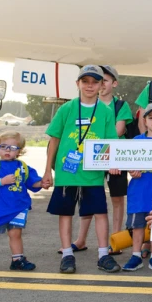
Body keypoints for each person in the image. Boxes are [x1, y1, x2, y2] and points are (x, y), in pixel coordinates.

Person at [41, 65, 121, 274]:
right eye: (85, 81)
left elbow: (111, 141)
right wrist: (48, 170)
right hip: (67, 172)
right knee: (65, 213)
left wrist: (113, 163)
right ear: (78, 84)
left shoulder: (105, 111)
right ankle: (67, 254)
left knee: (100, 212)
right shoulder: (67, 108)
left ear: (101, 85)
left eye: (95, 82)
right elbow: (54, 140)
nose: (89, 86)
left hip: (92, 174)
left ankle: (103, 254)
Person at [72, 65, 132, 251]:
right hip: (91, 158)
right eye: (99, 80)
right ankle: (81, 240)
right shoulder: (86, 105)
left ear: (114, 83)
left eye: (104, 80)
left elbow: (118, 131)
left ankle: (115, 240)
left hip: (115, 157)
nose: (102, 84)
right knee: (88, 197)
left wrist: (96, 135)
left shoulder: (120, 106)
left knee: (117, 198)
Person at [0, 131, 44, 276]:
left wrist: (42, 183)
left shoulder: (23, 167)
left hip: (18, 208)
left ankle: (17, 259)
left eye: (13, 148)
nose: (7, 150)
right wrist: (2, 181)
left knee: (16, 233)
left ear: (20, 151)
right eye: (3, 146)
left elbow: (33, 183)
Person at [118, 102, 152, 273]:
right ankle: (136, 255)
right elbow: (128, 162)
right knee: (138, 225)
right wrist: (132, 170)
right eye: (151, 118)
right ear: (144, 120)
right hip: (139, 192)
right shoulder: (137, 141)